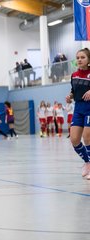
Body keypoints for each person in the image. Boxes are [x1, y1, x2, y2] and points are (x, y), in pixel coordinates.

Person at [66, 47, 90, 179]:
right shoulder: (74, 75)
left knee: (87, 137)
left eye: (83, 57)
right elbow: (73, 90)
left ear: (88, 60)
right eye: (78, 58)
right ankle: (87, 162)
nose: (79, 60)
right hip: (78, 108)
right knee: (74, 139)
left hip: (89, 108)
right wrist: (70, 96)